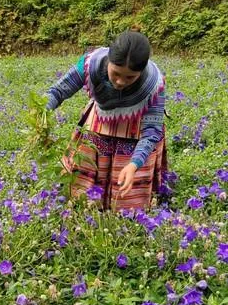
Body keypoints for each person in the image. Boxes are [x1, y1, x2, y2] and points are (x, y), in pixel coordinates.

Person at [46, 29, 167, 211]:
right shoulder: (90, 64)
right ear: (109, 61)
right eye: (116, 73)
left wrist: (134, 164)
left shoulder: (153, 85)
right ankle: (85, 209)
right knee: (81, 190)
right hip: (99, 125)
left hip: (135, 133)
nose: (120, 82)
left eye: (130, 77)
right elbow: (58, 91)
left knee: (127, 204)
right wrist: (42, 112)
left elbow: (152, 132)